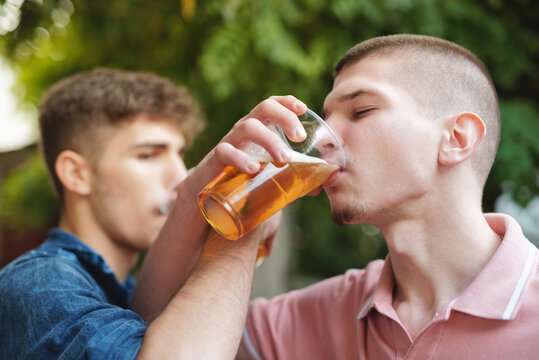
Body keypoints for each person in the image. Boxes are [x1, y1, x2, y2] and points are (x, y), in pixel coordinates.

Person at [233, 34, 539, 359]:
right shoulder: (315, 316)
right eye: (326, 117)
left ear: (457, 139)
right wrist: (238, 226)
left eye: (361, 111)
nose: (325, 138)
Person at [0, 68, 307, 359]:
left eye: (180, 155)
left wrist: (195, 203)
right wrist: (247, 207)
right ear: (76, 174)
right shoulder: (39, 283)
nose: (179, 176)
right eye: (148, 155)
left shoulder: (125, 293)